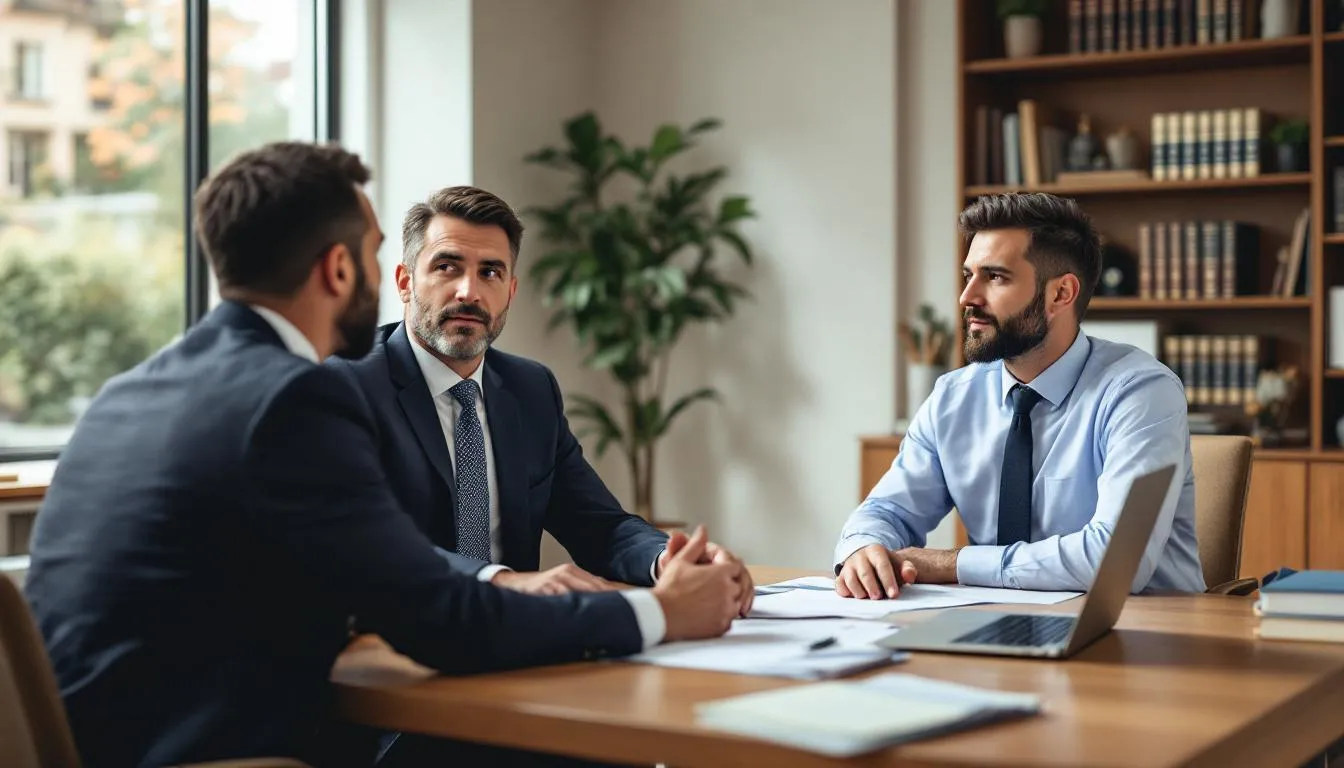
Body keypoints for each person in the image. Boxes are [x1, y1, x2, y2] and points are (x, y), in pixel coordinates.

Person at [21, 142, 744, 768]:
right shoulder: (297, 399)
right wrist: (659, 615)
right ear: (342, 270)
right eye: (374, 256)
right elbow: (442, 621)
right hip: (228, 751)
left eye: (491, 272)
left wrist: (655, 569)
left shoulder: (125, 391)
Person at [326, 185, 753, 610]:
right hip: (398, 640)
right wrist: (500, 582)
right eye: (447, 267)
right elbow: (367, 543)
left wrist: (671, 559)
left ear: (510, 292)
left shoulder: (529, 389)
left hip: (520, 643)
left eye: (490, 272)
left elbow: (598, 525)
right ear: (405, 282)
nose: (469, 293)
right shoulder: (348, 386)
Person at [834, 192, 1205, 599]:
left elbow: (1119, 560)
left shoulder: (1140, 392)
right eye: (968, 275)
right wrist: (863, 548)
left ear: (1061, 295)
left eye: (995, 277)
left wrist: (951, 564)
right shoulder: (953, 398)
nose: (967, 297)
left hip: (1143, 637)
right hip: (996, 628)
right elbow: (887, 511)